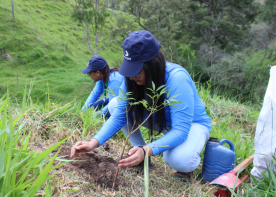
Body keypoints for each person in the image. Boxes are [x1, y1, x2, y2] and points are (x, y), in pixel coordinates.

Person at [72, 31, 211, 179]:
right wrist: (93, 143)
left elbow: (181, 130)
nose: (132, 77)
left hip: (191, 125)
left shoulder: (177, 78)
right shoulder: (132, 80)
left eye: (137, 73)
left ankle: (187, 162)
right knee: (114, 104)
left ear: (154, 65)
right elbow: (119, 115)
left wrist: (148, 149)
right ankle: (140, 155)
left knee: (179, 159)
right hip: (161, 122)